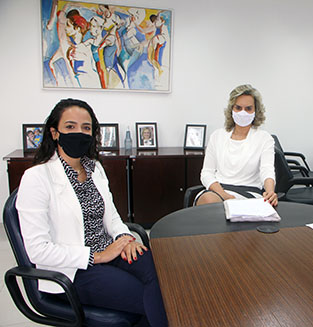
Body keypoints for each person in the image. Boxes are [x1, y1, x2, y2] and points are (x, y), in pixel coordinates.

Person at [16, 98, 167, 326]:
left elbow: (112, 216)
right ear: (55, 133)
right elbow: (38, 251)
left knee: (162, 278)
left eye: (86, 128)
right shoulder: (37, 178)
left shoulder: (94, 168)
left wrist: (124, 239)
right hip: (74, 269)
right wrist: (96, 256)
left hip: (112, 250)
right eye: (70, 127)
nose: (79, 132)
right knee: (148, 297)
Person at [196, 84, 278, 206]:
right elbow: (206, 173)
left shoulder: (264, 138)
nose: (243, 113)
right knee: (208, 201)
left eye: (248, 108)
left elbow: (267, 170)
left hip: (249, 193)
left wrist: (270, 191)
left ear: (256, 111)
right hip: (217, 191)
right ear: (231, 109)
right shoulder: (217, 136)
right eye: (238, 108)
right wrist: (224, 195)